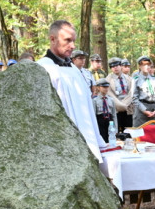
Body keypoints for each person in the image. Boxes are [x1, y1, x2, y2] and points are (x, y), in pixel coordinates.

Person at [37, 20, 105, 162]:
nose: (72, 46)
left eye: (73, 41)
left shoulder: (74, 69)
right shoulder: (43, 68)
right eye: (67, 40)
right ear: (52, 39)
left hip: (87, 139)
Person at [132, 55, 155, 127]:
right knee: (139, 134)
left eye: (148, 65)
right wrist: (144, 110)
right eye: (144, 65)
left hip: (153, 110)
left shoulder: (154, 79)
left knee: (153, 133)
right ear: (140, 66)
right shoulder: (136, 79)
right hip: (141, 110)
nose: (147, 67)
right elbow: (134, 98)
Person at [107, 57, 134, 130]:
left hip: (128, 108)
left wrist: (125, 104)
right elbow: (110, 94)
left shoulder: (128, 78)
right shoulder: (108, 80)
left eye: (117, 65)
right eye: (112, 66)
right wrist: (120, 105)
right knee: (118, 131)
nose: (115, 68)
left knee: (129, 130)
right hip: (116, 109)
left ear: (121, 66)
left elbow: (131, 92)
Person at [91, 77, 117, 143]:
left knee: (110, 139)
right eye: (103, 87)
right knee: (102, 139)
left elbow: (114, 115)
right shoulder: (95, 100)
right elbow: (93, 115)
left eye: (107, 87)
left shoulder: (111, 100)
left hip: (109, 121)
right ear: (98, 88)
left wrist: (115, 127)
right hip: (100, 122)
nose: (106, 89)